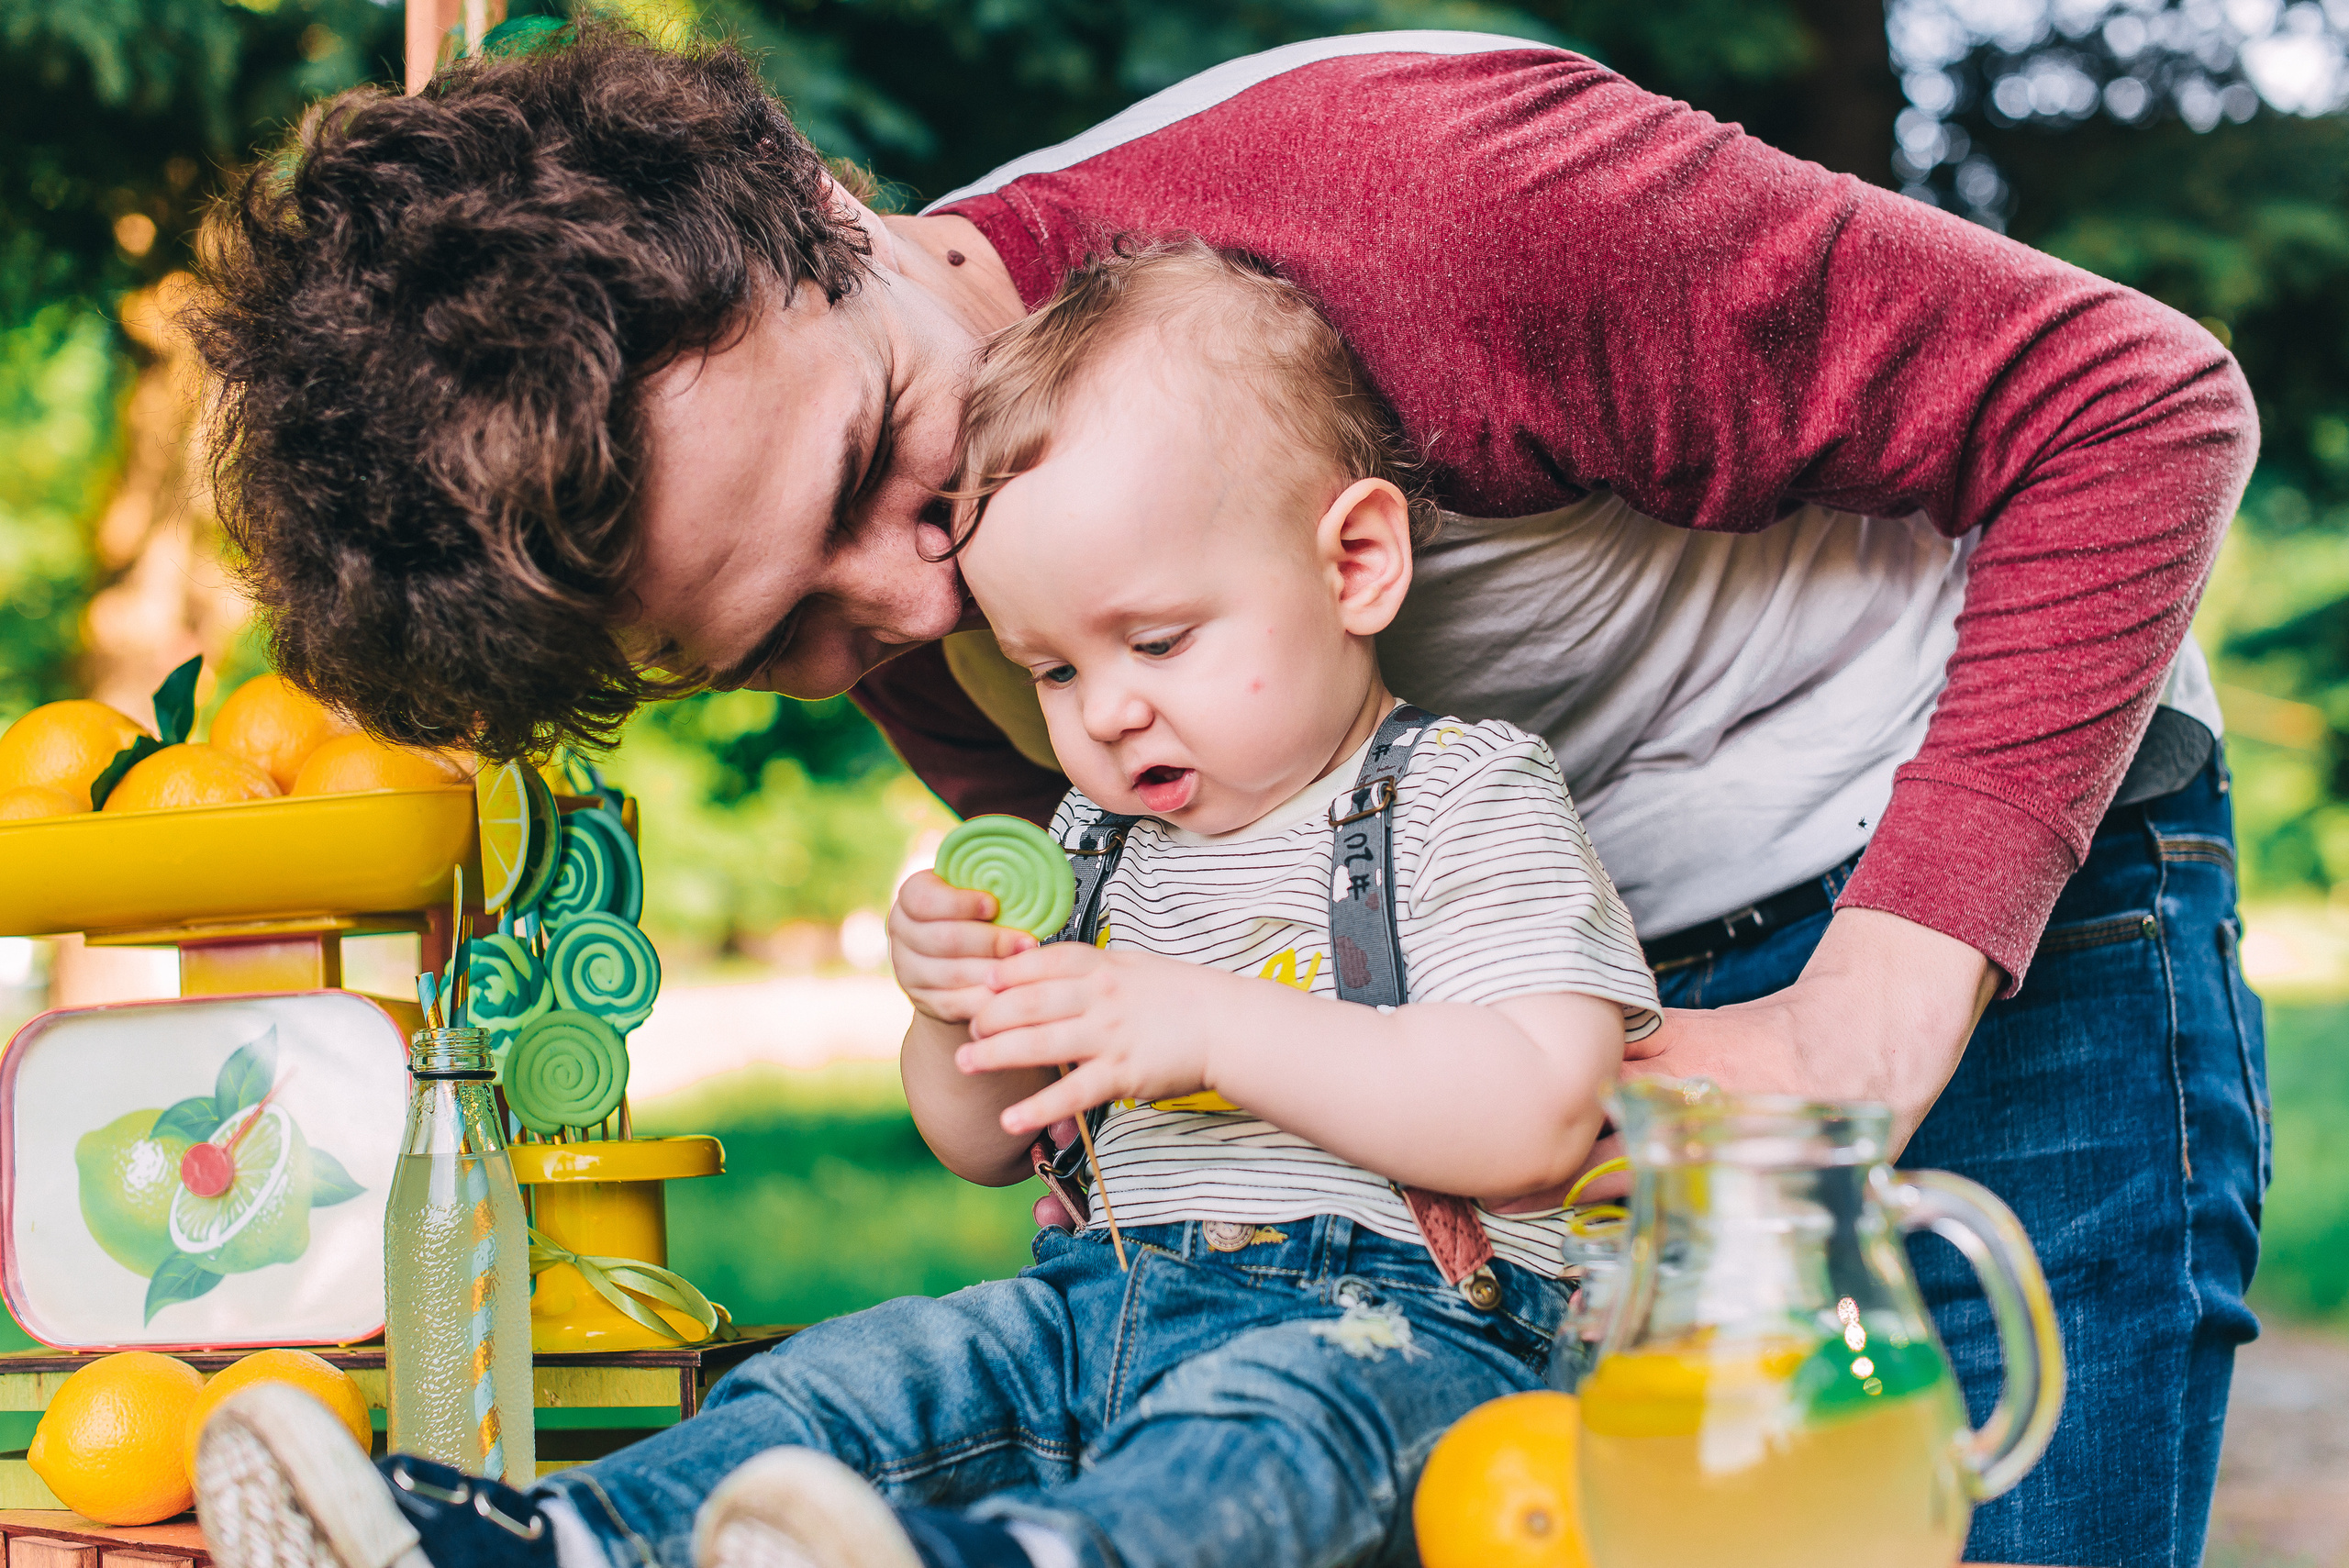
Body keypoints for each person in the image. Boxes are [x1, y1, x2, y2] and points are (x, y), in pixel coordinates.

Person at [188, 24, 2264, 1567]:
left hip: (1942, 876)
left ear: (829, 213)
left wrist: (1862, 1019)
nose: (913, 604)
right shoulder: (903, 582)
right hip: (1482, 1028)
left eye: (863, 473)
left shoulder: (1427, 208)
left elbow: (2131, 408)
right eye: (780, 640)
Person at [195, 238, 1660, 1568]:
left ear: (1355, 563)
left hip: (1408, 1335)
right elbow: (979, 1143)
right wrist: (957, 1013)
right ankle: (553, 1541)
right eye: (1058, 669)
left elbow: (1532, 1118)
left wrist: (1209, 1025)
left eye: (1156, 638)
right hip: (1103, 1303)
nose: (1107, 711)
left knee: (1274, 1423)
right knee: (859, 1374)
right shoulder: (1097, 844)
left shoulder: (1460, 792)